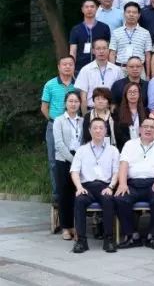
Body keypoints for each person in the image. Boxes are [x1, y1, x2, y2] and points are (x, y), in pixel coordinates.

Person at [114, 117, 154, 249]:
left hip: (153, 183)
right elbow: (123, 165)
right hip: (132, 184)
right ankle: (132, 236)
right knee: (120, 198)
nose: (148, 129)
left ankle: (153, 236)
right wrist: (122, 184)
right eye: (145, 126)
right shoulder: (130, 144)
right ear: (140, 129)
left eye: (152, 127)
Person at [70, 118, 120, 253]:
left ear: (106, 131)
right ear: (89, 130)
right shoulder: (82, 150)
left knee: (109, 200)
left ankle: (108, 239)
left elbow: (116, 172)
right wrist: (79, 188)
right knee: (79, 200)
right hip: (86, 187)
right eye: (95, 128)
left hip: (105, 186)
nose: (98, 130)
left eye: (101, 128)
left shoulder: (113, 150)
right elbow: (74, 171)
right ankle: (81, 241)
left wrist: (111, 187)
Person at [52, 91, 83, 242]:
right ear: (65, 103)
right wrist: (73, 159)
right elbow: (58, 144)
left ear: (80, 104)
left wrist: (79, 159)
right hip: (63, 160)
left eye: (76, 101)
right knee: (64, 195)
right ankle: (65, 227)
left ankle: (75, 227)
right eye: (70, 101)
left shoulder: (82, 121)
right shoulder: (58, 121)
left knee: (77, 194)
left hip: (79, 159)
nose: (73, 104)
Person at [70, 0, 112, 72]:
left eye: (92, 7)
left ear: (97, 9)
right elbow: (73, 51)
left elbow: (109, 48)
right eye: (86, 7)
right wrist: (72, 67)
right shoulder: (76, 29)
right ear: (82, 9)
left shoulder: (104, 27)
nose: (89, 9)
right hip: (80, 67)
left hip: (100, 66)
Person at [109, 3, 153, 69]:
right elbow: (112, 54)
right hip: (120, 68)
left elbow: (148, 55)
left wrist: (148, 73)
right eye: (128, 12)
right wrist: (112, 71)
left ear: (139, 15)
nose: (131, 14)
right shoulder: (116, 32)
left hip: (139, 69)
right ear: (124, 14)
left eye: (134, 12)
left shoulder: (145, 33)